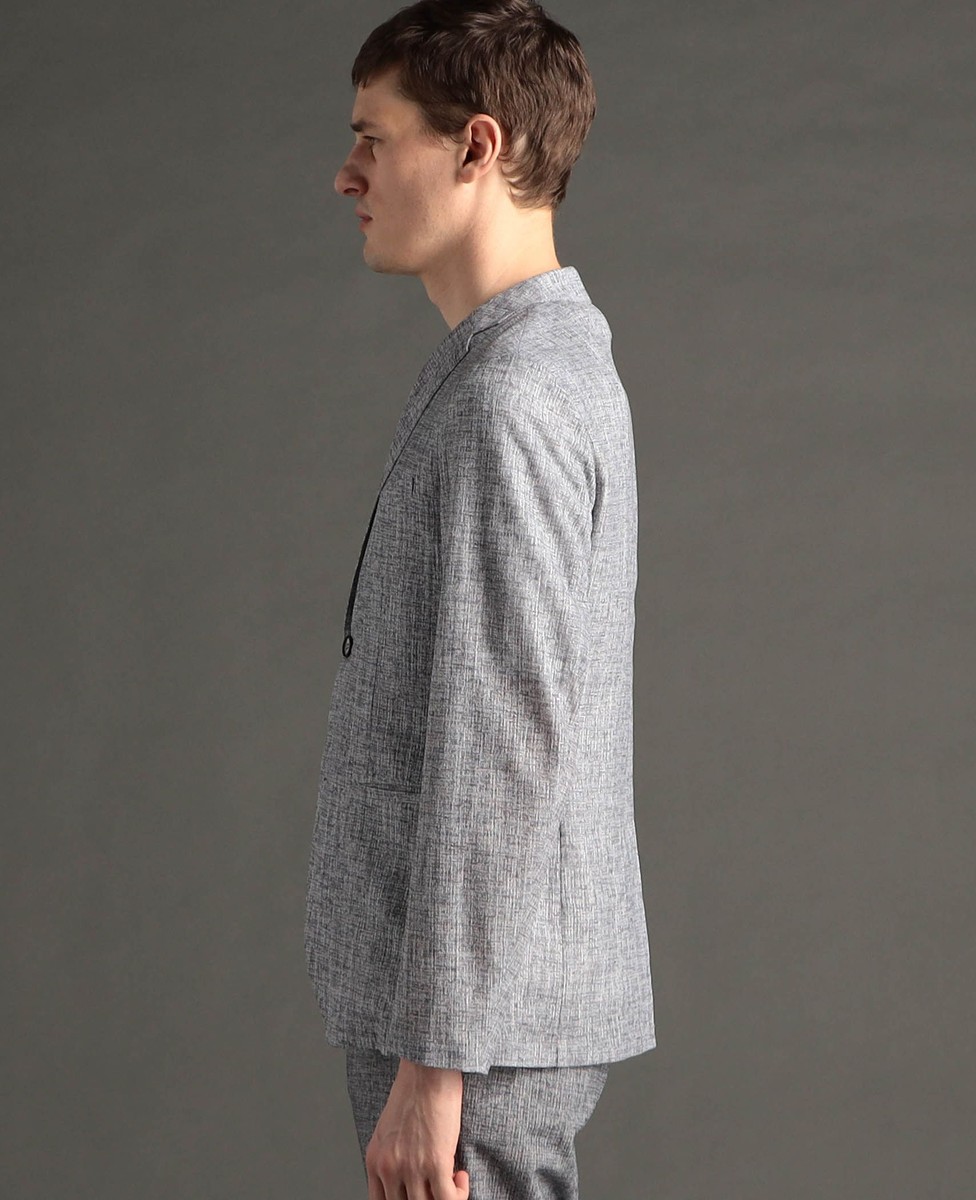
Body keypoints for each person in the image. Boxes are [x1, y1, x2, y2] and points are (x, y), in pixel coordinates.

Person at [303, 2, 656, 1196]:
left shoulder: (513, 396)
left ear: (477, 145)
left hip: (476, 1033)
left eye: (373, 138)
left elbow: (504, 743)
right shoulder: (535, 361)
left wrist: (437, 1064)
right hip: (481, 1010)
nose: (346, 173)